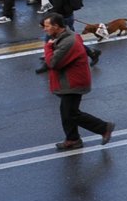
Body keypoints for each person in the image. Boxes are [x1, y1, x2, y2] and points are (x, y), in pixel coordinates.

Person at [36, 13, 113, 151]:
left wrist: (48, 48)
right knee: (66, 112)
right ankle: (73, 139)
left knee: (71, 113)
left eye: (47, 26)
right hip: (68, 81)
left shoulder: (68, 42)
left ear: (56, 26)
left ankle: (104, 127)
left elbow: (53, 63)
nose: (45, 29)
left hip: (72, 83)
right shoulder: (64, 37)